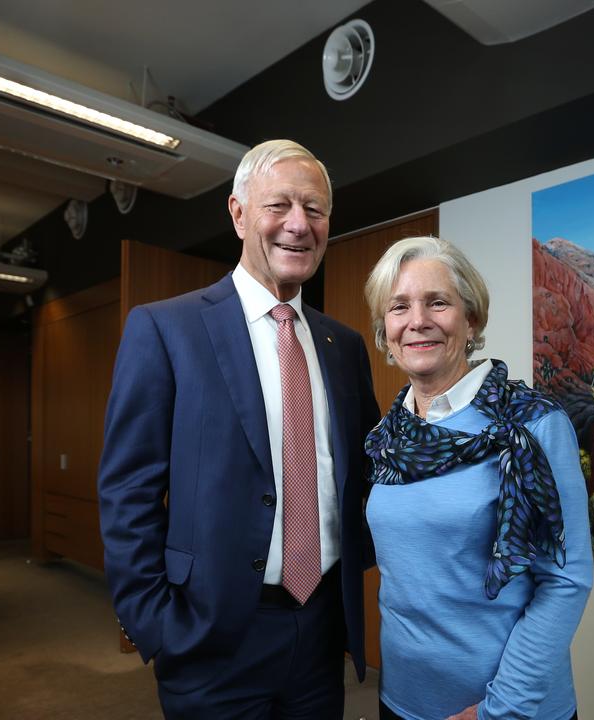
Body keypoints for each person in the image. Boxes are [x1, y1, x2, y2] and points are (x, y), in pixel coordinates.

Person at [98, 139, 380, 718]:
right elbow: (127, 491)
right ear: (238, 213)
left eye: (315, 210)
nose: (299, 225)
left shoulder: (344, 346)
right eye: (279, 206)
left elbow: (367, 476)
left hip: (321, 632)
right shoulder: (164, 329)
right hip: (210, 641)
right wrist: (153, 622)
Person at [363, 236, 593, 720]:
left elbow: (565, 581)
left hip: (509, 709)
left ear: (472, 319)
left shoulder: (532, 424)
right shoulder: (388, 436)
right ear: (386, 331)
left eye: (438, 302)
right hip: (401, 699)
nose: (417, 321)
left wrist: (499, 711)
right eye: (399, 306)